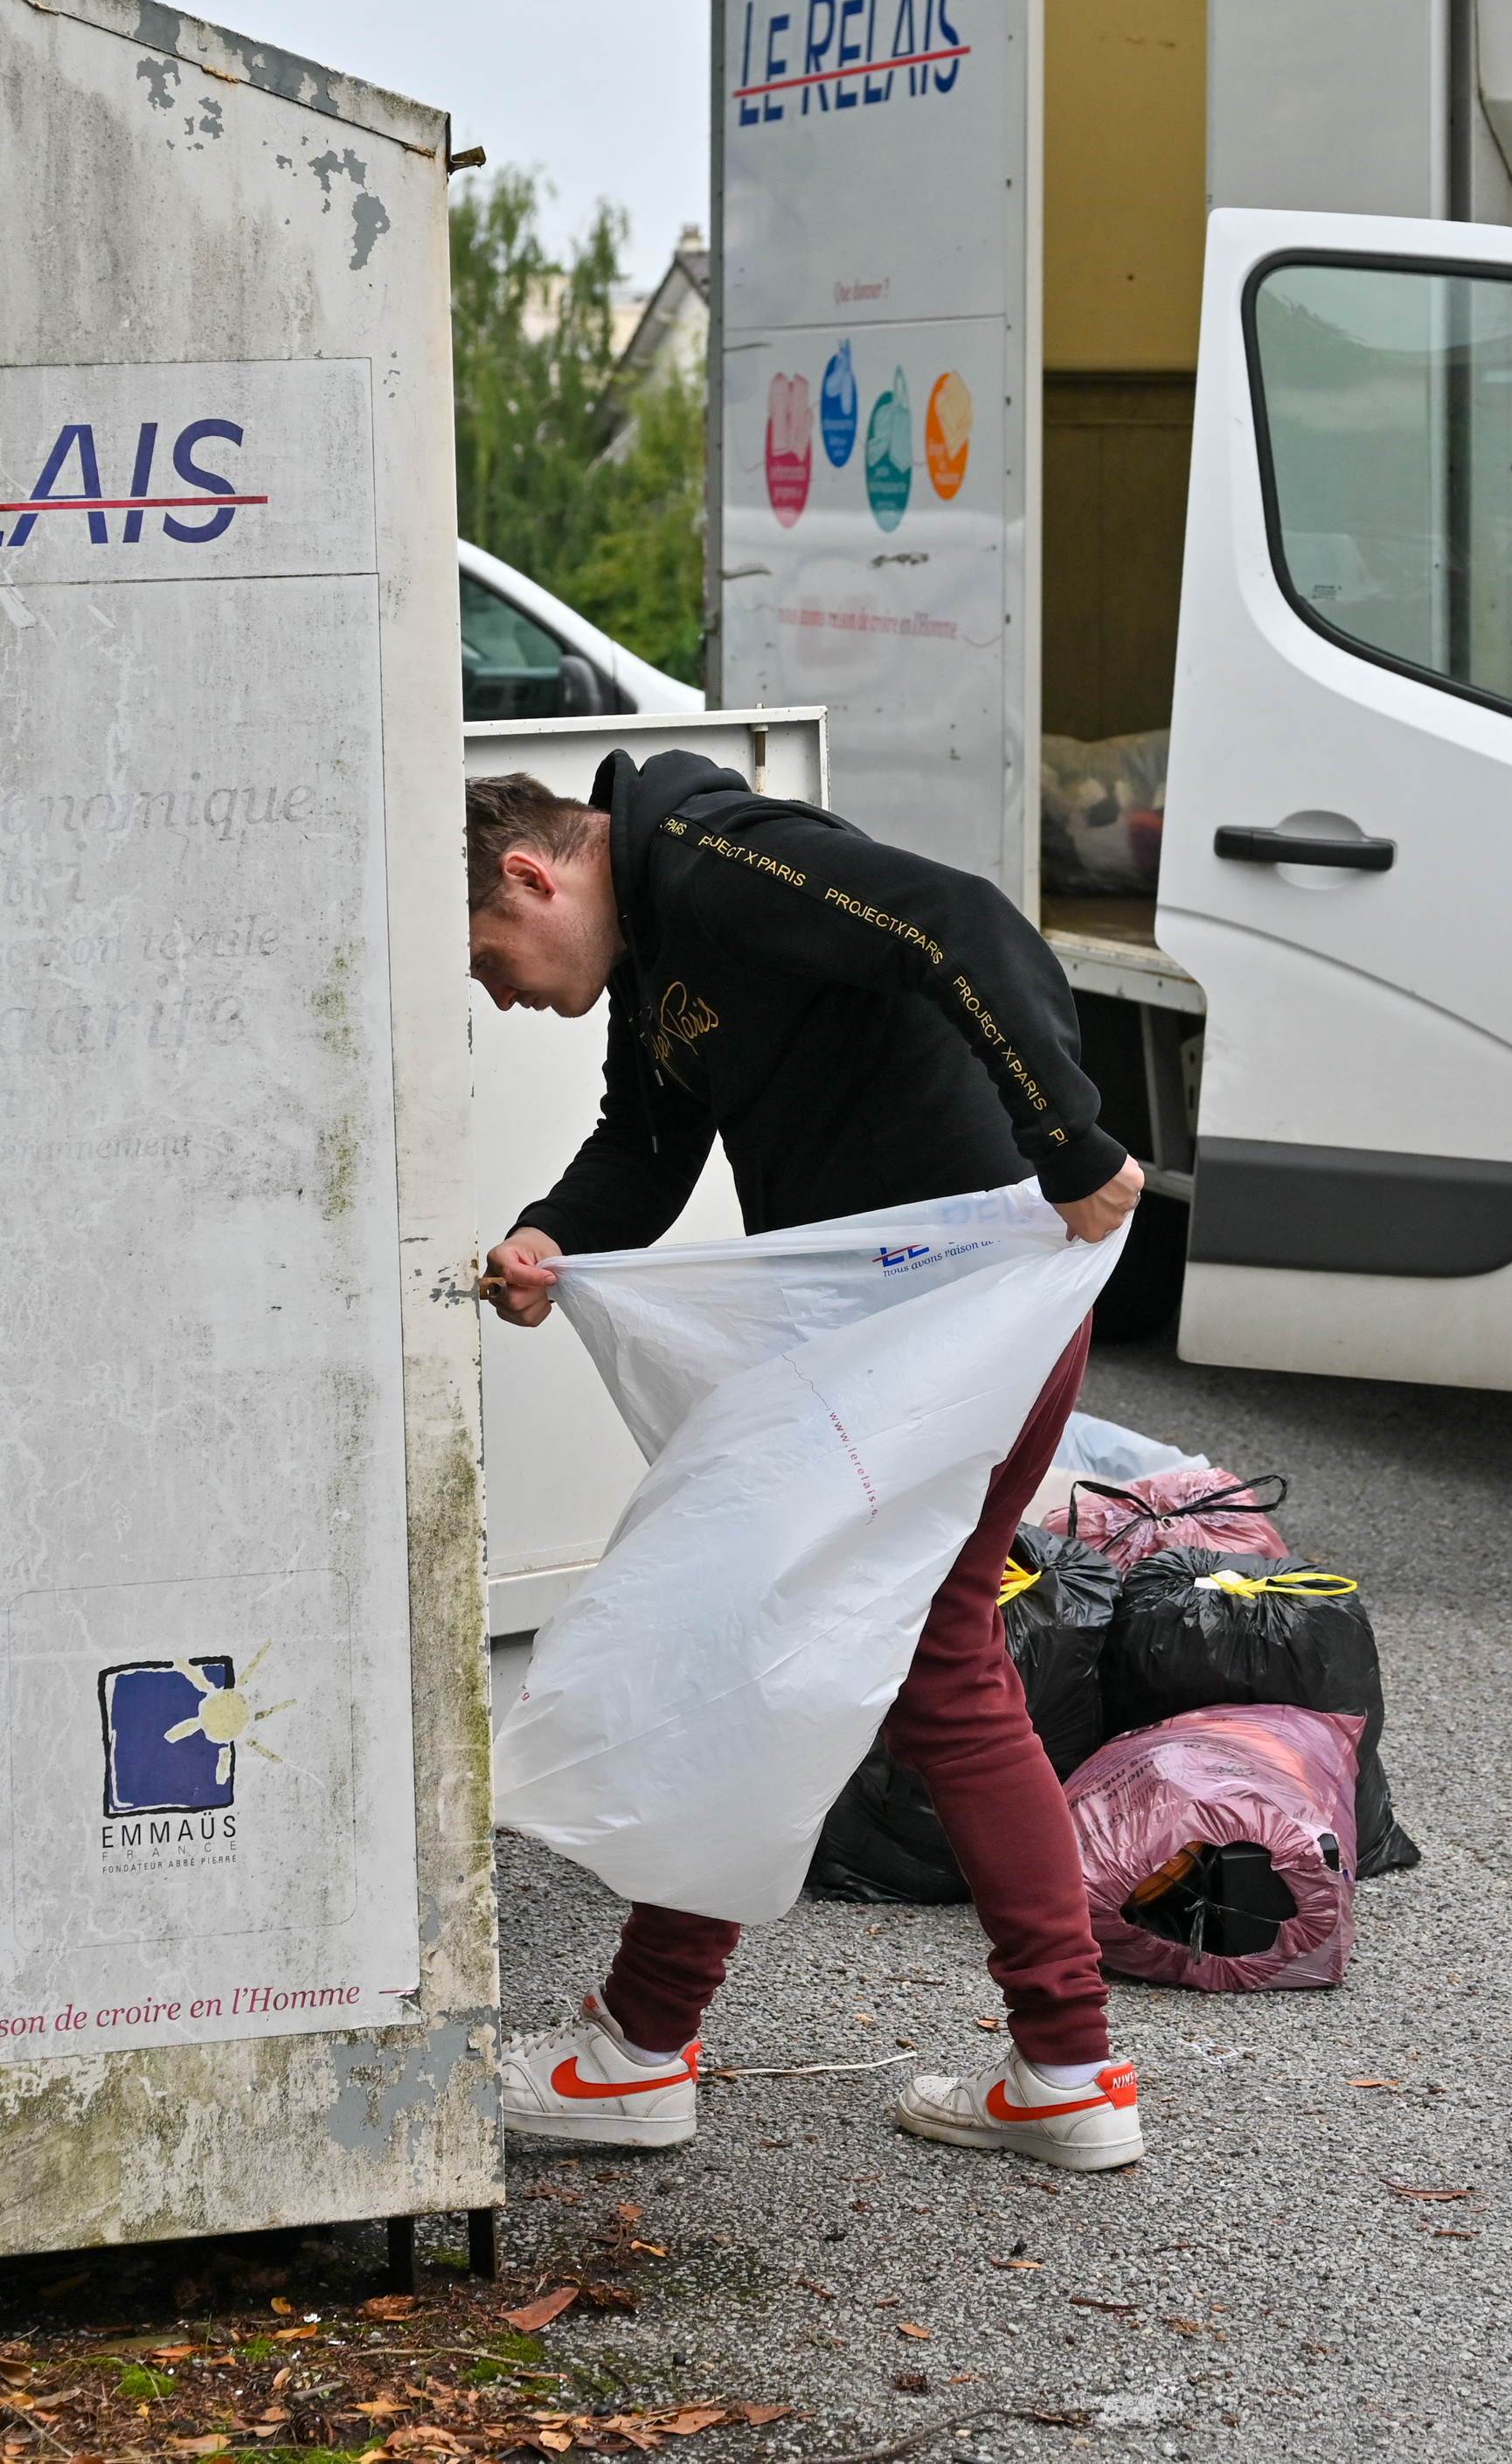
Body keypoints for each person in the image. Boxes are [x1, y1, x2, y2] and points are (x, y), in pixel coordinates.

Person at [466, 751, 1152, 2170]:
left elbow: (960, 922)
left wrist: (1068, 1141)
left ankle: (647, 2050)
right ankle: (1050, 2064)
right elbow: (647, 1145)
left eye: (490, 956)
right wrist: (551, 1234)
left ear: (533, 874)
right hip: (898, 1324)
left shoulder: (713, 858)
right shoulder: (660, 945)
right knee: (887, 1647)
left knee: (836, 1641)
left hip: (955, 1307)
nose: (499, 993)